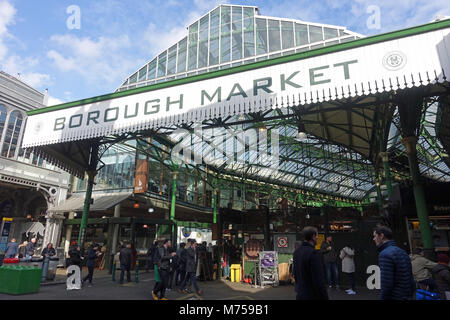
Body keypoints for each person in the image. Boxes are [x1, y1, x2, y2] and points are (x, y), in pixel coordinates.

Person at [373, 225, 415, 300]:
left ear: (382, 236)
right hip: (406, 295)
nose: (374, 239)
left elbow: (386, 284)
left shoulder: (385, 254)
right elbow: (411, 279)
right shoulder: (402, 252)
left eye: (375, 236)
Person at [292, 226, 329, 300]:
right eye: (317, 235)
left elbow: (296, 274)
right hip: (313, 295)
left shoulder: (296, 252)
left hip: (301, 294)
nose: (318, 238)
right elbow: (319, 280)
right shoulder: (314, 253)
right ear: (313, 236)